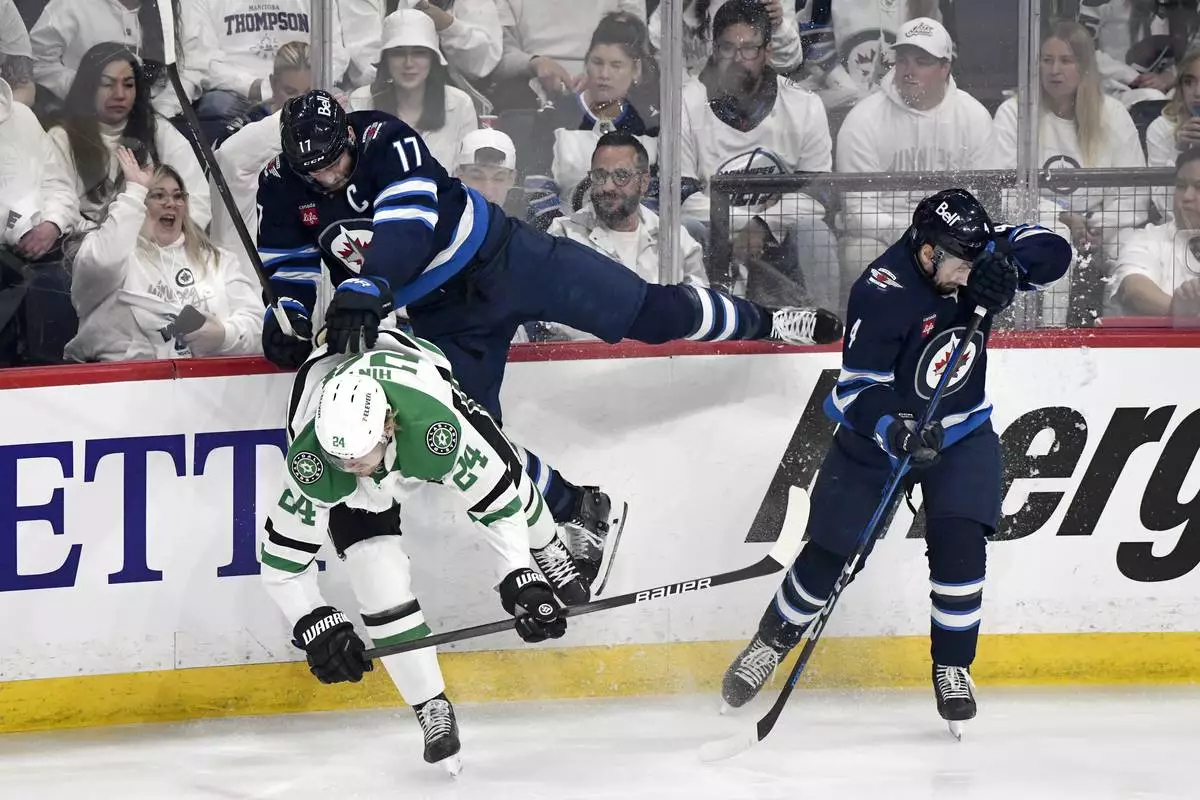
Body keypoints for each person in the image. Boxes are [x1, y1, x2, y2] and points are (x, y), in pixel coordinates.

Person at [255, 89, 843, 594]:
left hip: (509, 258)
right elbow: (288, 263)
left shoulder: (385, 139)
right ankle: (577, 508)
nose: (327, 177)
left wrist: (368, 285)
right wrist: (289, 316)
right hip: (441, 316)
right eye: (314, 172)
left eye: (334, 162)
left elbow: (407, 226)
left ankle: (769, 322)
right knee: (471, 437)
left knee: (648, 310)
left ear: (347, 137)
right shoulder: (280, 184)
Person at [720, 189, 1071, 735]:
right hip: (881, 442)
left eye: (976, 261)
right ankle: (770, 643)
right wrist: (895, 428)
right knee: (830, 555)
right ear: (928, 252)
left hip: (962, 432)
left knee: (962, 547)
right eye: (961, 265)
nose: (969, 272)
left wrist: (1009, 267)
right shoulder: (882, 290)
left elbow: (1054, 251)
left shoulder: (976, 252)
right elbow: (856, 390)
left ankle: (952, 666)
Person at [260, 330, 586, 773]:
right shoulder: (315, 461)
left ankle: (547, 545)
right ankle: (429, 704)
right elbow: (281, 566)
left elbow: (498, 504)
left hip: (420, 376)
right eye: (340, 461)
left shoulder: (434, 428)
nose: (351, 468)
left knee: (510, 478)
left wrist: (517, 576)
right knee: (376, 576)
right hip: (328, 385)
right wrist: (312, 621)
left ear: (387, 426)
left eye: (358, 456)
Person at [679, 0, 840, 313]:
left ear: (767, 51)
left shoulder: (805, 105)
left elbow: (818, 195)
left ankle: (826, 329)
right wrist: (744, 226)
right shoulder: (686, 103)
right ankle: (690, 325)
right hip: (711, 234)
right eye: (728, 48)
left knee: (815, 233)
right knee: (684, 228)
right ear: (715, 49)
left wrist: (765, 226)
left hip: (780, 239)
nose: (738, 59)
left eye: (749, 49)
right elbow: (681, 197)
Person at [836, 17, 995, 312]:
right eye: (903, 60)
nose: (909, 70)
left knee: (989, 260)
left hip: (955, 243)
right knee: (860, 251)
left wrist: (946, 242)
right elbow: (857, 212)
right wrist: (919, 238)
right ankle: (872, 333)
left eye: (922, 62)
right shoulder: (863, 120)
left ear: (945, 67)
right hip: (883, 239)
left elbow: (985, 201)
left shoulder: (973, 118)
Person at [65, 147, 264, 362]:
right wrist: (134, 192)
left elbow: (259, 327)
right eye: (157, 195)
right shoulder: (107, 253)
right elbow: (104, 262)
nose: (171, 204)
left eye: (178, 196)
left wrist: (225, 336)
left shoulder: (216, 260)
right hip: (123, 377)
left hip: (208, 378)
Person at [46, 43, 211, 231]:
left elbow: (197, 197)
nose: (119, 95)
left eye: (128, 85)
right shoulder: (62, 137)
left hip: (155, 240)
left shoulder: (158, 130)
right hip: (88, 241)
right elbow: (58, 204)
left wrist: (165, 234)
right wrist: (108, 238)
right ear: (87, 87)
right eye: (107, 84)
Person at [348, 9, 478, 170]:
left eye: (419, 53)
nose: (409, 63)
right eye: (398, 53)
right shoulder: (360, 103)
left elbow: (468, 173)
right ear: (386, 59)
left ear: (432, 58)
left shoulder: (460, 105)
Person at [1109, 148, 1200, 317]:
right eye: (1181, 186)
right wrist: (1181, 312)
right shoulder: (1147, 239)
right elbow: (1135, 289)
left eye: (1199, 187)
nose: (1187, 196)